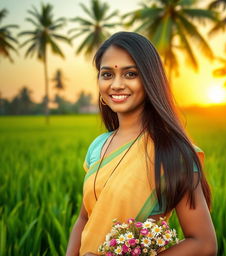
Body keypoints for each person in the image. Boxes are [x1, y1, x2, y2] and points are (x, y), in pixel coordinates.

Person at [66, 31, 217, 256]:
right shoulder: (98, 146)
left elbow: (203, 244)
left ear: (150, 79)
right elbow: (85, 217)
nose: (116, 84)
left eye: (130, 74)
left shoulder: (172, 153)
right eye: (107, 74)